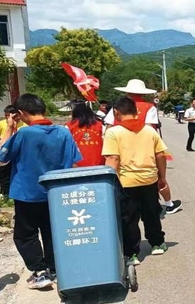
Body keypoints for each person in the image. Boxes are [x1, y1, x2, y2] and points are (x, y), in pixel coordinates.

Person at [0, 94, 82, 289]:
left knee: (25, 235)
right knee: (53, 232)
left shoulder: (24, 134)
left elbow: (2, 155)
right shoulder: (63, 132)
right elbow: (75, 160)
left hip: (27, 193)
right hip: (56, 192)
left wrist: (9, 127)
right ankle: (55, 268)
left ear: (21, 113)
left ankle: (40, 271)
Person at [103, 97, 169, 265]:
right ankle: (157, 243)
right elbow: (161, 155)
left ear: (116, 112)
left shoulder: (113, 133)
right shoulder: (149, 131)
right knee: (151, 213)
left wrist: (109, 183)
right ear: (136, 111)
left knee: (129, 218)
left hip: (126, 182)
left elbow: (112, 159)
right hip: (149, 180)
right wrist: (162, 178)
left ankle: (131, 253)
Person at [66, 101, 105, 167]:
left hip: (77, 166)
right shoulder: (100, 125)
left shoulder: (69, 127)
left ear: (75, 112)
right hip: (99, 164)